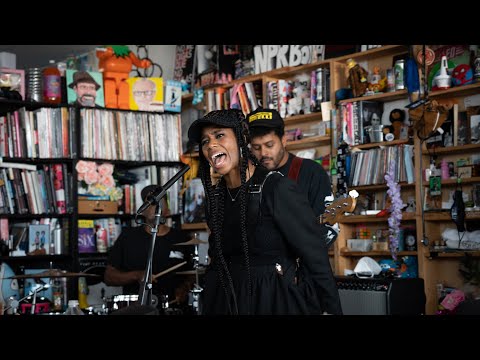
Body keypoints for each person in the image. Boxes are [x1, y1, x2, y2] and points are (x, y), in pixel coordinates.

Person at [188, 109, 342, 315]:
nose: (211, 144)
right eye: (205, 141)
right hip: (228, 300)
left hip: (273, 300)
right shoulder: (217, 197)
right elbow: (217, 259)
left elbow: (316, 257)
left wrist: (331, 310)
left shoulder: (276, 188)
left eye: (219, 135)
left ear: (242, 140)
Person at [246, 108, 338, 246]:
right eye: (256, 147)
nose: (263, 153)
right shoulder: (248, 178)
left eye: (269, 145)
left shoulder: (311, 172)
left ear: (284, 140)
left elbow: (329, 230)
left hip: (299, 265)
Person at [104, 185, 193, 311]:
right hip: (136, 309)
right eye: (151, 202)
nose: (156, 206)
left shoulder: (182, 238)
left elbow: (194, 273)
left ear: (167, 210)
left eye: (161, 202)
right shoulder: (128, 237)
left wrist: (185, 287)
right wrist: (137, 275)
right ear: (143, 210)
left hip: (173, 307)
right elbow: (109, 277)